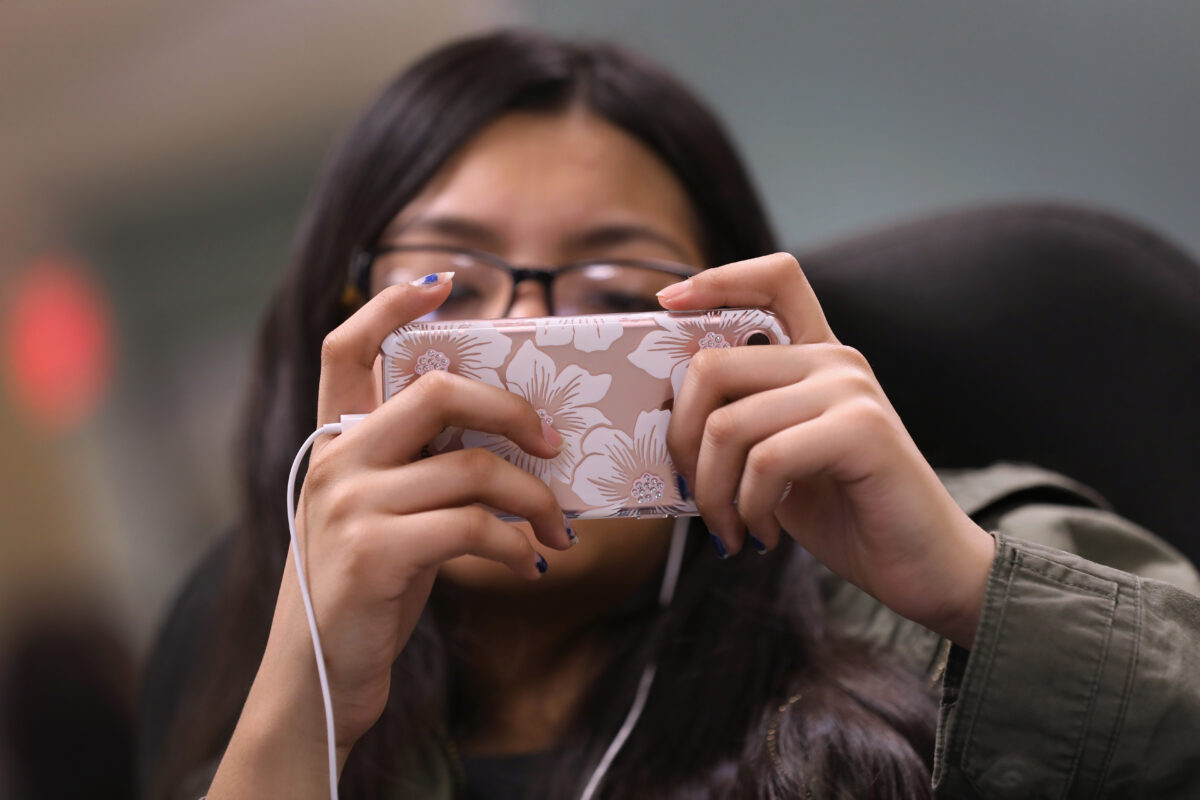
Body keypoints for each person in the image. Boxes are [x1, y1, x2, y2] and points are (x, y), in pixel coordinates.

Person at [141, 29, 1200, 800]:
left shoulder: (973, 564)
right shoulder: (270, 727)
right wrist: (297, 722)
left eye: (610, 299)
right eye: (447, 293)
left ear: (735, 330)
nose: (527, 344)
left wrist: (969, 590)